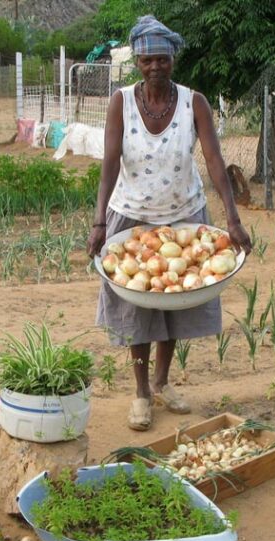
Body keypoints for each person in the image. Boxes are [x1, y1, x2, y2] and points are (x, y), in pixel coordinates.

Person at [87, 15, 252, 431]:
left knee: (176, 302)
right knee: (138, 306)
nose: (154, 66)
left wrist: (232, 219)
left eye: (162, 59)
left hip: (184, 218)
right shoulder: (121, 102)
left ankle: (162, 382)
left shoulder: (194, 102)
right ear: (136, 63)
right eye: (146, 60)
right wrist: (98, 221)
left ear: (173, 60)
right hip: (133, 217)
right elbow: (109, 161)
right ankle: (141, 392)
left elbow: (214, 161)